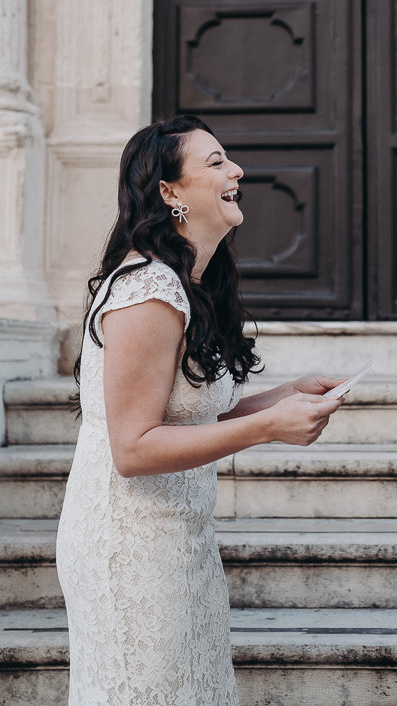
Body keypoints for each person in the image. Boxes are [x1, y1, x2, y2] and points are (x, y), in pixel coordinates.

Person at [56, 115, 345, 706]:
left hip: (178, 537)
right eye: (215, 162)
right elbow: (133, 447)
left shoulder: (186, 282)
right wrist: (267, 427)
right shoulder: (147, 290)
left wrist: (284, 396)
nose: (237, 170)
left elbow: (189, 416)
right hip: (130, 546)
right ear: (170, 192)